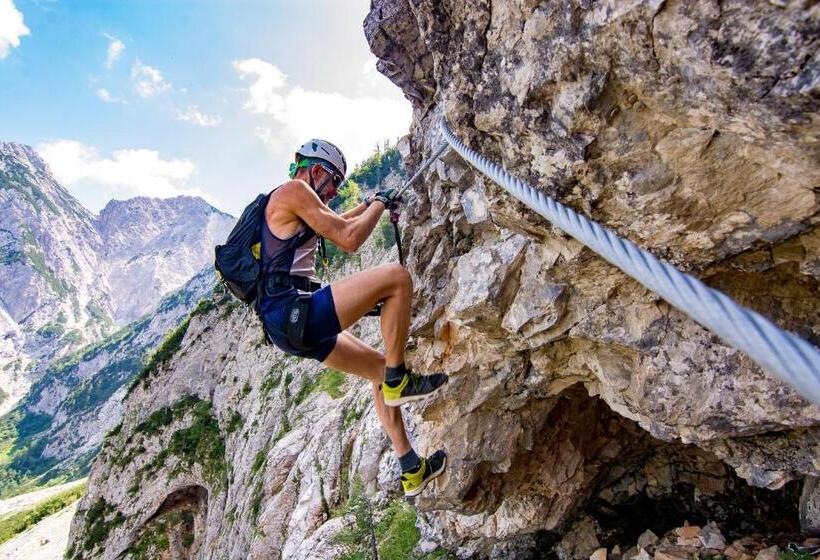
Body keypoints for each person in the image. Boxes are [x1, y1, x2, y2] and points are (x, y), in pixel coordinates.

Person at [258, 139, 448, 497]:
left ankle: (411, 469)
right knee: (396, 277)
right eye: (333, 183)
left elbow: (336, 221)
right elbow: (348, 238)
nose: (333, 193)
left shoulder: (291, 201)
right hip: (295, 312)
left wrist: (369, 203)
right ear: (316, 171)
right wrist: (379, 205)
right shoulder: (295, 191)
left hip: (286, 324)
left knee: (378, 371)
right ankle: (399, 379)